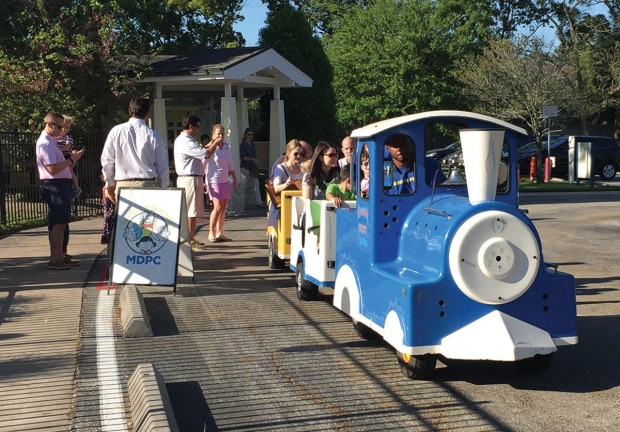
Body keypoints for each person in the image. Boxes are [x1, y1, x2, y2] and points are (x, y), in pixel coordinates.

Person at [36, 112, 85, 270]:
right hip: (55, 184)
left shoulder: (51, 142)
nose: (61, 130)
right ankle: (55, 259)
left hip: (60, 184)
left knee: (62, 223)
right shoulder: (46, 144)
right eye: (59, 127)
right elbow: (52, 169)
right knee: (58, 223)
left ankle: (60, 256)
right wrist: (71, 160)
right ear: (49, 125)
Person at [101, 96, 170, 204]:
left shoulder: (116, 131)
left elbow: (107, 160)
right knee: (147, 220)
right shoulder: (153, 135)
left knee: (126, 220)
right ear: (147, 113)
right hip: (147, 184)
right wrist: (163, 187)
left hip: (123, 183)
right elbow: (162, 166)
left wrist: (109, 183)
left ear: (130, 110)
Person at [174, 114, 210, 251]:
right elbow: (205, 154)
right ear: (191, 127)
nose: (199, 130)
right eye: (197, 127)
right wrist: (215, 144)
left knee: (190, 210)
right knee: (191, 211)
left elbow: (203, 150)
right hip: (190, 178)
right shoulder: (186, 141)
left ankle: (189, 238)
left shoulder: (186, 140)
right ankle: (189, 239)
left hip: (190, 178)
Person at [204, 124, 238, 242]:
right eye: (218, 133)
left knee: (223, 207)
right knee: (217, 207)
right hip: (213, 180)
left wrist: (234, 179)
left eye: (222, 133)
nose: (220, 135)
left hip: (224, 180)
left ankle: (220, 232)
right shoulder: (209, 147)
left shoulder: (227, 147)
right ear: (213, 134)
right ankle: (211, 233)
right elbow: (203, 163)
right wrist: (202, 179)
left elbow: (230, 164)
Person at [267, 139, 305, 228]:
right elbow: (276, 188)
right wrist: (286, 184)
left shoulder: (303, 168)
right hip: (285, 206)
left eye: (301, 154)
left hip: (300, 205)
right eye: (296, 154)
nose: (299, 156)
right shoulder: (280, 168)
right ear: (288, 153)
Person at [239, 128, 264, 208]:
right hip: (245, 167)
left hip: (252, 167)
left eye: (252, 134)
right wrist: (251, 158)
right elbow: (242, 157)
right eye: (249, 134)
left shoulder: (252, 145)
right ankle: (241, 202)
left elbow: (254, 155)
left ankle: (259, 202)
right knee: (243, 185)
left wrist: (257, 159)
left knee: (256, 184)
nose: (251, 136)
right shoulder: (243, 144)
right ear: (246, 135)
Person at [57, 115, 81, 198]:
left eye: (68, 128)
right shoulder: (56, 136)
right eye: (65, 127)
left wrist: (60, 149)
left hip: (66, 155)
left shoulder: (68, 136)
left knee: (70, 170)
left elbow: (68, 145)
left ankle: (77, 187)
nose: (66, 129)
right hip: (60, 156)